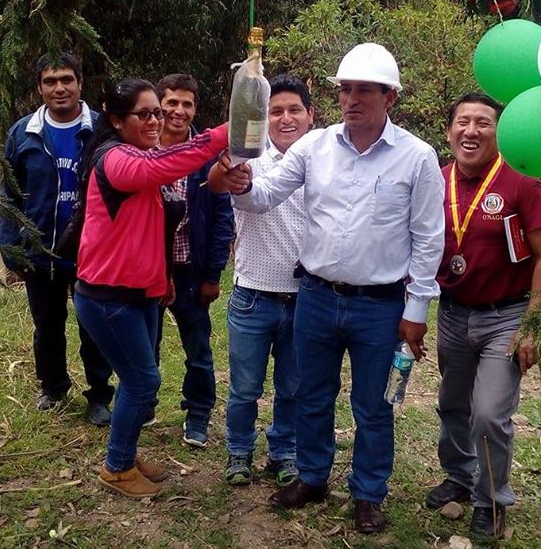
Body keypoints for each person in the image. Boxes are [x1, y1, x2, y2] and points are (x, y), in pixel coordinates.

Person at [214, 43, 445, 534]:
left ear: (391, 97)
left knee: (373, 407)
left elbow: (429, 237)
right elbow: (267, 197)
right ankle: (313, 477)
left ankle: (367, 493)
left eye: (365, 89)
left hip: (381, 306)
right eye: (346, 89)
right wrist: (238, 184)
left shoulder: (416, 157)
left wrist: (417, 307)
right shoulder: (314, 146)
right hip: (316, 296)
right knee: (311, 395)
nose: (352, 98)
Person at [72, 78, 241, 498]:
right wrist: (229, 129)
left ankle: (125, 455)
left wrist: (160, 278)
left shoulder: (137, 153)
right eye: (144, 114)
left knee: (143, 378)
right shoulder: (116, 160)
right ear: (115, 119)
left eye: (157, 113)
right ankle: (116, 467)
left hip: (138, 290)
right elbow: (169, 164)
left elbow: (147, 231)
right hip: (110, 297)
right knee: (142, 382)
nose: (155, 121)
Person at [423, 93, 541, 541]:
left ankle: (492, 500)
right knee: (453, 405)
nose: (471, 131)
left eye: (484, 123)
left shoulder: (522, 180)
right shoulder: (436, 181)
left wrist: (533, 325)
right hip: (453, 314)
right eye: (462, 121)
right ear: (448, 132)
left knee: (488, 413)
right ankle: (460, 477)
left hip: (506, 315)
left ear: (499, 133)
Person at [0, 52, 113, 426]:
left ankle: (98, 395)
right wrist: (12, 247)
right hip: (40, 253)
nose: (59, 88)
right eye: (50, 81)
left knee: (94, 327)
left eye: (66, 79)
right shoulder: (23, 133)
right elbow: (10, 195)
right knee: (47, 326)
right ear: (39, 88)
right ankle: (53, 387)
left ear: (80, 83)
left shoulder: (102, 129)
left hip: (92, 253)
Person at [219, 74, 313, 487]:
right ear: (264, 116)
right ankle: (239, 451)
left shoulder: (326, 159)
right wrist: (232, 178)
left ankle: (284, 451)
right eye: (276, 110)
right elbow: (226, 185)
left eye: (295, 110)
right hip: (253, 295)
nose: (286, 118)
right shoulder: (247, 156)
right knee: (244, 387)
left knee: (293, 387)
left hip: (306, 298)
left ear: (311, 116)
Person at [154, 73, 234, 448]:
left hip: (191, 271)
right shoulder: (142, 150)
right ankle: (143, 405)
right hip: (148, 271)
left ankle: (198, 413)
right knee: (144, 345)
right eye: (171, 103)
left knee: (198, 349)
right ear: (159, 106)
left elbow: (223, 219)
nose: (179, 111)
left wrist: (213, 274)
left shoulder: (209, 156)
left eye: (187, 104)